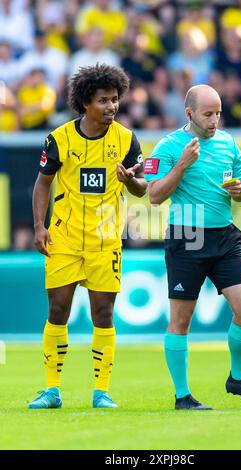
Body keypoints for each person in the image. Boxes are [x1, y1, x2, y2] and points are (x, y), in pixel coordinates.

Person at [144, 84, 241, 410]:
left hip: (224, 236)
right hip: (187, 235)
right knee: (181, 321)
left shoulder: (228, 142)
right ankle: (183, 396)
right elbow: (154, 195)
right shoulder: (170, 146)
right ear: (189, 114)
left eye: (218, 113)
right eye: (207, 114)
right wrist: (182, 165)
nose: (214, 120)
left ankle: (238, 379)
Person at [29, 63, 147, 409]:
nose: (111, 107)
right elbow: (42, 184)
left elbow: (142, 190)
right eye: (103, 101)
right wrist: (40, 226)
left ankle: (102, 391)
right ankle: (52, 390)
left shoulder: (126, 140)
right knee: (58, 309)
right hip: (63, 239)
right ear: (85, 103)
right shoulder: (59, 139)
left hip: (104, 239)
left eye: (114, 100)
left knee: (103, 314)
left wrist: (130, 181)